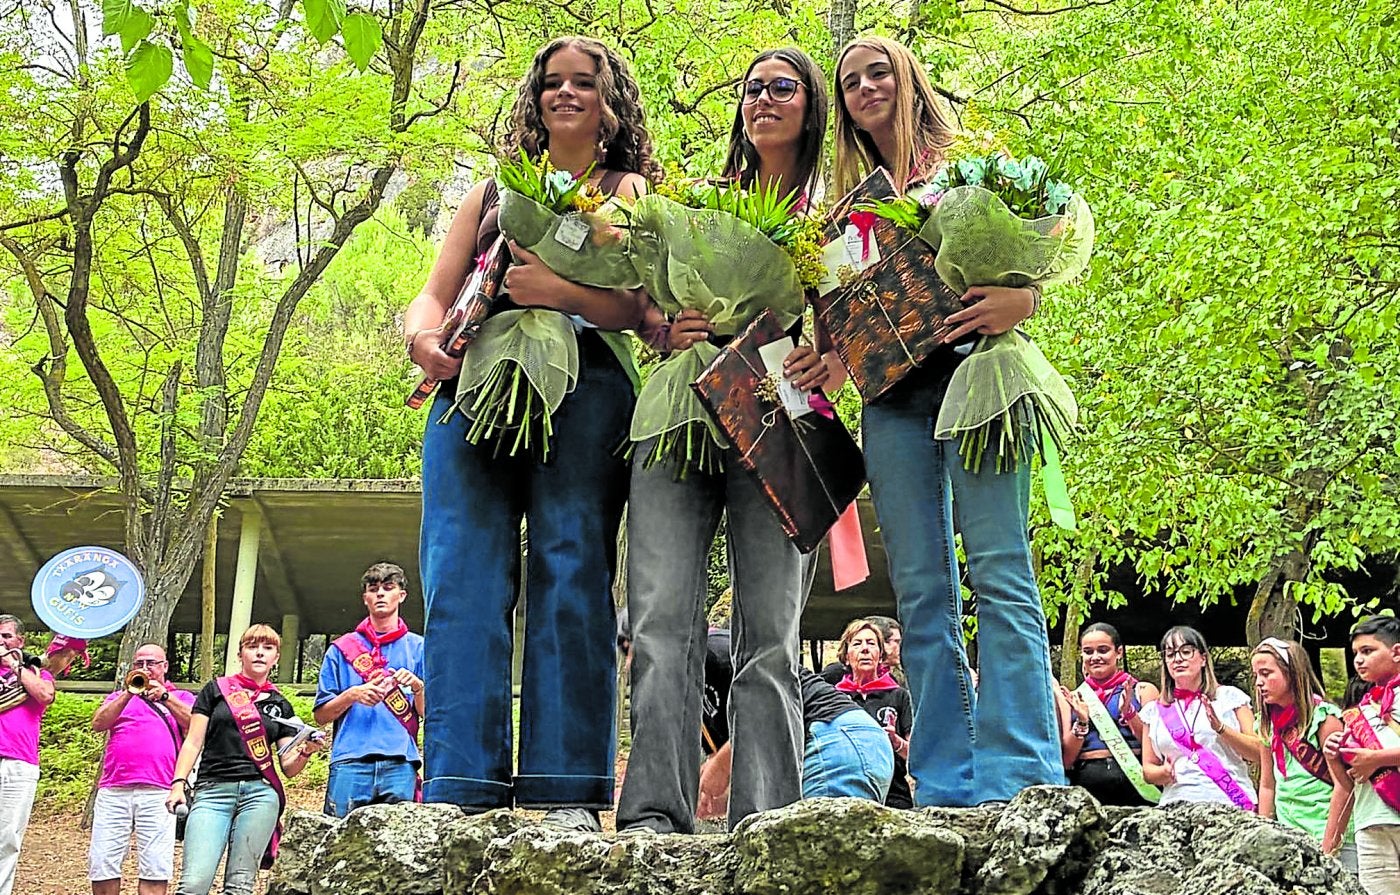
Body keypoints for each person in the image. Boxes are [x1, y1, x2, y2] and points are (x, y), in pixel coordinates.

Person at [406, 36, 660, 832]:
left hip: (587, 385)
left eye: (584, 82)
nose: (566, 93)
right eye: (553, 82)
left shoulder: (631, 192)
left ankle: (565, 789)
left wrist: (558, 290)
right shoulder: (490, 191)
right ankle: (460, 784)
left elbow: (644, 309)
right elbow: (433, 293)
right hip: (474, 382)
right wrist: (421, 338)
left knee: (572, 567)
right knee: (462, 574)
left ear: (611, 102)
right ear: (535, 97)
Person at [830, 35, 1060, 807]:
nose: (867, 87)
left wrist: (1023, 300)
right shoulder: (846, 214)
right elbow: (840, 318)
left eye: (879, 72)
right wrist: (827, 358)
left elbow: (1040, 256)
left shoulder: (973, 170)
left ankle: (1023, 771)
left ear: (908, 79)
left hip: (981, 375)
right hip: (892, 402)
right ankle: (947, 779)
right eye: (851, 82)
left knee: (1000, 568)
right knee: (923, 591)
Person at [619, 46, 832, 834]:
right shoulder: (695, 207)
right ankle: (652, 813)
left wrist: (829, 359)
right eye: (752, 88)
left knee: (771, 632)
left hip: (782, 416)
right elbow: (640, 306)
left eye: (782, 87)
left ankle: (768, 818)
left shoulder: (836, 219)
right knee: (658, 621)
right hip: (680, 411)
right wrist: (665, 325)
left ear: (811, 107)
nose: (763, 99)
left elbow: (857, 328)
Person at [166, 625, 324, 895]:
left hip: (260, 795)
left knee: (240, 886)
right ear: (240, 654)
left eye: (267, 648)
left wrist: (306, 750)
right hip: (212, 791)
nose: (260, 653)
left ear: (276, 657)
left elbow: (288, 766)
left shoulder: (281, 705)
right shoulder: (215, 690)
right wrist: (178, 783)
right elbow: (193, 741)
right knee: (193, 883)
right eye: (252, 647)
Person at [692, 628, 894, 820]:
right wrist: (718, 800)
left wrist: (719, 768)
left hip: (831, 735)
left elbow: (768, 708)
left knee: (818, 840)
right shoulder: (697, 705)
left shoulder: (713, 648)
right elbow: (741, 760)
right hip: (842, 742)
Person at [314, 562, 426, 817]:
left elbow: (427, 713)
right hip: (349, 760)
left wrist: (418, 688)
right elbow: (321, 716)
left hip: (401, 760)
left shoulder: (419, 648)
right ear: (365, 598)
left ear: (402, 595)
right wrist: (352, 694)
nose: (380, 594)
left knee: (399, 839)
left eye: (388, 588)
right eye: (373, 589)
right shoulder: (340, 650)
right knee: (338, 836)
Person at [89, 642, 195, 895]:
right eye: (140, 663)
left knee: (155, 867)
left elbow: (195, 724)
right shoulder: (119, 697)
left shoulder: (182, 697)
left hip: (160, 790)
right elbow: (98, 723)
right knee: (103, 864)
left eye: (152, 663)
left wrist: (165, 697)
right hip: (114, 789)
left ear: (165, 666)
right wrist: (129, 692)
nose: (145, 668)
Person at [1250, 637, 1354, 872]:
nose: (1259, 683)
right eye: (1256, 675)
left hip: (1329, 832)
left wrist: (1328, 848)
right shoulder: (1266, 724)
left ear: (1292, 673)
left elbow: (1344, 786)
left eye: (1266, 673)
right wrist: (1263, 833)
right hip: (1289, 834)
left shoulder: (1325, 719)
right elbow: (1267, 784)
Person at [1138, 626, 1257, 809]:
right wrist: (1163, 773)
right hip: (1176, 805)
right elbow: (1148, 769)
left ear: (1203, 658)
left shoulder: (1230, 698)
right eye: (1170, 654)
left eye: (1186, 651)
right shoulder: (1153, 711)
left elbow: (1258, 752)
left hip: (1231, 803)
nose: (1178, 659)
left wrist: (1221, 729)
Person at [1324, 616, 1400, 895]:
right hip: (1369, 820)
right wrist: (1334, 754)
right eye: (1355, 653)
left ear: (1397, 652)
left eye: (1368, 651)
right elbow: (1347, 782)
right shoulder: (1362, 710)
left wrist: (1376, 759)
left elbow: (1370, 761)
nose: (1358, 660)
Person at [1059, 622, 1161, 806]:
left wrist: (1129, 714)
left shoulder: (1143, 691)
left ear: (1119, 652)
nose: (1095, 657)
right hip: (1087, 787)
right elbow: (1067, 760)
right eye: (1088, 652)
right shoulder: (1072, 699)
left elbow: (1156, 748)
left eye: (1103, 650)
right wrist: (1082, 721)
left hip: (1137, 785)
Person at [824, 619, 913, 808]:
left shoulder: (899, 695)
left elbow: (915, 756)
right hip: (843, 796)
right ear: (846, 657)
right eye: (857, 643)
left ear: (880, 656)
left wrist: (896, 742)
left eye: (871, 643)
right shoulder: (833, 698)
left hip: (894, 797)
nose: (865, 649)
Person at [0, 615, 54, 895]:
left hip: (18, 764)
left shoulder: (38, 675)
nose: (0, 642)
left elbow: (44, 695)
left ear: (20, 641)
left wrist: (13, 664)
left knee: (7, 838)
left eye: (6, 636)